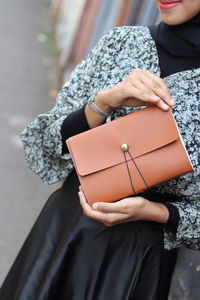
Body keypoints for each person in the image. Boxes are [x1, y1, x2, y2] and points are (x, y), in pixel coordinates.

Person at [0, 0, 199, 299]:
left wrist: (155, 211)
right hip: (66, 231)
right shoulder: (121, 43)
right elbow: (44, 146)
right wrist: (104, 103)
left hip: (137, 260)